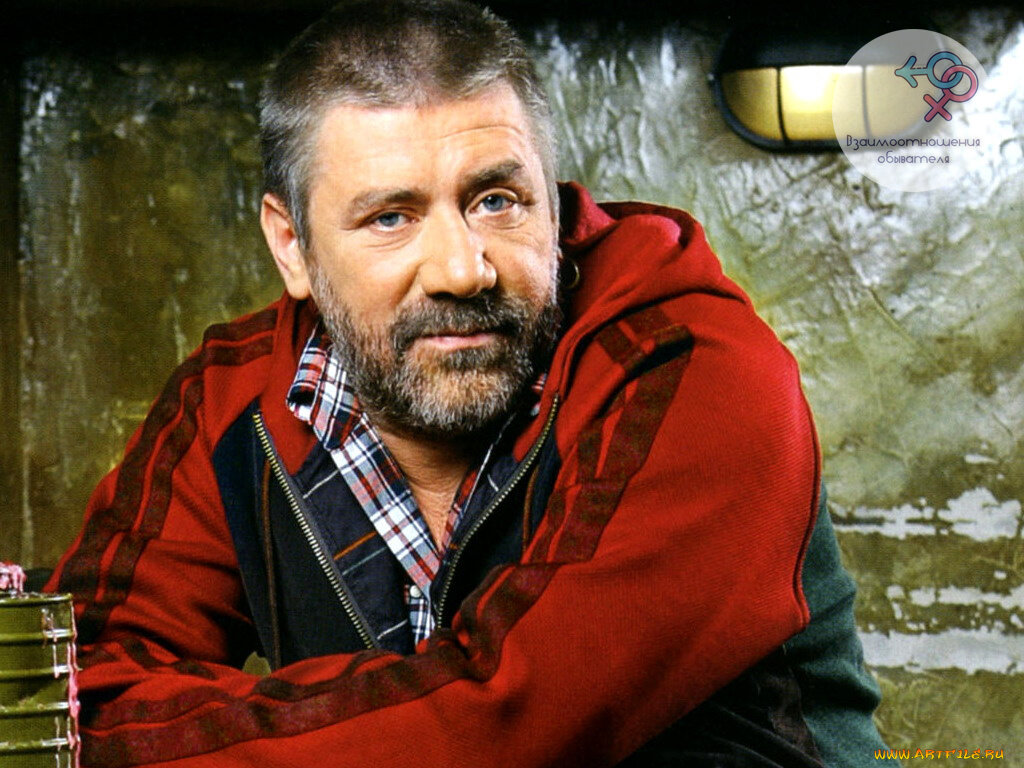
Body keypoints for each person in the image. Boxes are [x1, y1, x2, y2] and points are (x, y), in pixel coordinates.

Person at [47, 0, 890, 765]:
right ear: (291, 246)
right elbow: (67, 691)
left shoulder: (689, 369)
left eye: (496, 201)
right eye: (391, 217)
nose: (461, 269)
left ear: (553, 204)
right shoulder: (231, 401)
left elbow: (514, 722)